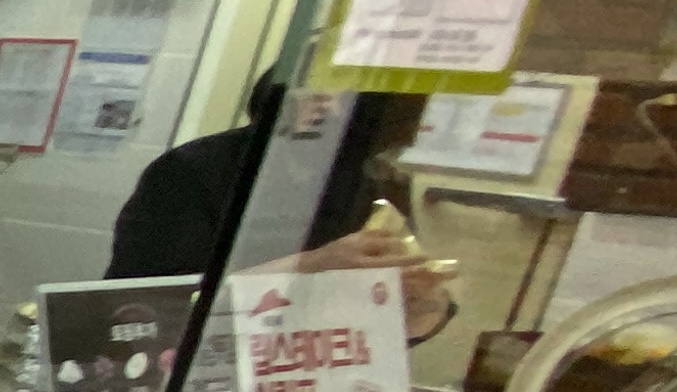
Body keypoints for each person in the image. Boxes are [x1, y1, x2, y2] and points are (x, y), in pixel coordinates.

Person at [106, 87, 463, 347]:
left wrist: (422, 307)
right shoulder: (196, 170)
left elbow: (396, 323)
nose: (325, 105)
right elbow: (137, 312)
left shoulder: (363, 180)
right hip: (189, 376)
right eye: (316, 94)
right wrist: (312, 267)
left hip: (303, 384)